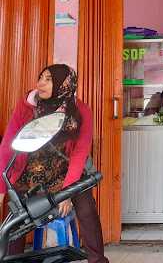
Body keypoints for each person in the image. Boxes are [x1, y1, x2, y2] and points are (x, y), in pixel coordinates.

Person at [0, 64, 109, 263]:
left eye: (48, 79)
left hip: (68, 172)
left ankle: (98, 260)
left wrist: (66, 194)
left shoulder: (80, 111)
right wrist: (1, 188)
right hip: (31, 172)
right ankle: (11, 260)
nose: (40, 83)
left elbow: (79, 153)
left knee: (86, 209)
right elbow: (7, 145)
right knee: (14, 215)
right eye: (40, 77)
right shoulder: (27, 106)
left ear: (63, 84)